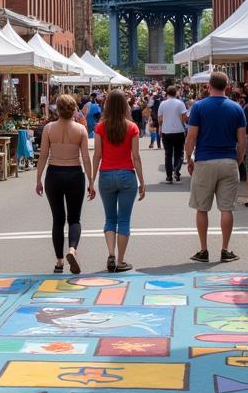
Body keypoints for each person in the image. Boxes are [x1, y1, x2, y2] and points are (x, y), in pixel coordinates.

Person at [185, 70, 247, 263]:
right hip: (228, 160)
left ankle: (203, 250)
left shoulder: (198, 107)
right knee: (226, 208)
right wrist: (238, 159)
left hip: (204, 160)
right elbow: (243, 140)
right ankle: (225, 249)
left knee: (202, 208)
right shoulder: (237, 108)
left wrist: (189, 157)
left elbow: (191, 136)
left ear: (208, 86)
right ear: (227, 87)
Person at [35, 93, 95, 275]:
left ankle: (59, 261)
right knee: (74, 218)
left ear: (57, 110)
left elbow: (43, 155)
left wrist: (38, 178)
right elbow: (85, 157)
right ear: (74, 110)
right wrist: (91, 181)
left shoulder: (49, 129)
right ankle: (72, 250)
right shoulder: (80, 130)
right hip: (74, 173)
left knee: (58, 220)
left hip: (54, 173)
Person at [92, 88, 145, 272]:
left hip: (106, 175)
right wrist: (142, 182)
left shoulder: (100, 127)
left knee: (109, 218)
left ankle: (111, 254)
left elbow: (97, 155)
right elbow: (136, 157)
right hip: (127, 175)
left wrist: (91, 180)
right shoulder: (132, 127)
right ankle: (121, 260)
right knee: (124, 220)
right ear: (125, 106)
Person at [157, 85, 189, 184]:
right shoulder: (180, 103)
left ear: (167, 93)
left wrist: (161, 127)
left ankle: (169, 176)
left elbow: (160, 118)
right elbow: (184, 118)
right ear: (176, 93)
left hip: (166, 131)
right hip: (179, 131)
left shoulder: (163, 104)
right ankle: (176, 170)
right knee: (179, 153)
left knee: (168, 154)